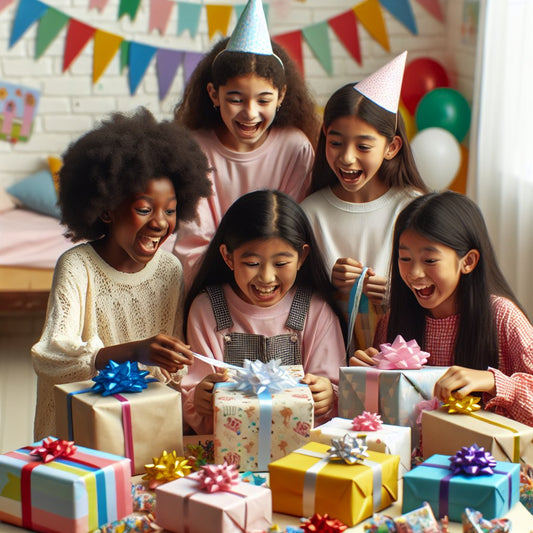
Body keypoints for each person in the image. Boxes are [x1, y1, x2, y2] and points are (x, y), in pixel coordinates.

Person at [31, 107, 212, 440]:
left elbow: (171, 373)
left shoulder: (171, 269)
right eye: (144, 209)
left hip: (138, 431)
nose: (159, 222)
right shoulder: (78, 266)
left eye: (170, 210)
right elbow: (51, 357)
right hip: (76, 437)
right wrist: (134, 351)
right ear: (106, 209)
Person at [350, 191, 533, 426]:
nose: (414, 274)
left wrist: (493, 381)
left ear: (467, 262)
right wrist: (364, 377)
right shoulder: (393, 320)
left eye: (429, 260)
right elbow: (377, 416)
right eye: (405, 258)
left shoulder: (503, 317)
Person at [173, 0, 320, 289]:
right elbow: (193, 240)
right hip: (211, 284)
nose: (250, 113)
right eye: (236, 99)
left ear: (281, 96)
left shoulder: (295, 148)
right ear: (214, 95)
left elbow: (295, 230)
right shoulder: (195, 149)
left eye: (263, 100)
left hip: (276, 284)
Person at [180, 189, 346, 434]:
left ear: (302, 257)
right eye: (252, 264)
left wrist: (328, 395)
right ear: (227, 257)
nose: (266, 277)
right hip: (229, 451)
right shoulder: (207, 309)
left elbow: (335, 388)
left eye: (281, 264)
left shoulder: (316, 309)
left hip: (300, 451)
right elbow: (194, 388)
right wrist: (200, 398)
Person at [301, 52, 428, 351]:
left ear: (391, 147)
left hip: (404, 354)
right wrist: (327, 285)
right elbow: (292, 296)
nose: (346, 157)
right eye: (336, 143)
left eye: (363, 146)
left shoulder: (413, 208)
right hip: (329, 355)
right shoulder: (311, 212)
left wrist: (398, 292)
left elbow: (441, 291)